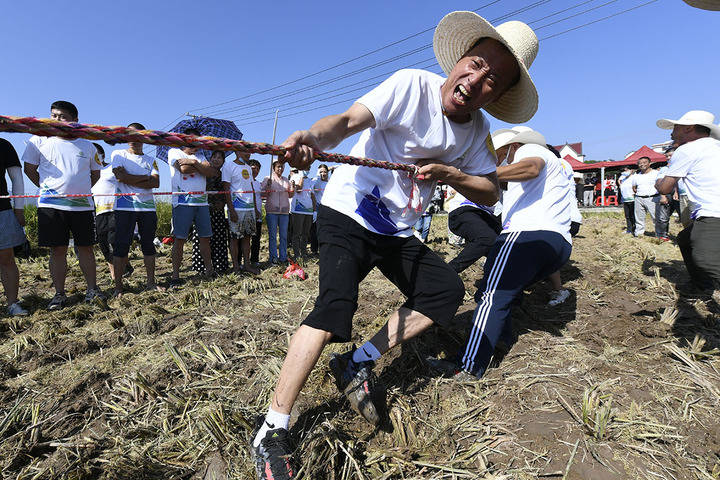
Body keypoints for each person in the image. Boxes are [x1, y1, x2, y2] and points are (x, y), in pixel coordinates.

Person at [250, 11, 539, 480]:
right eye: (476, 63)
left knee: (445, 290)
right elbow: (344, 122)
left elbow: (489, 190)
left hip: (399, 230)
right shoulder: (411, 85)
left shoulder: (476, 132)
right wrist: (311, 138)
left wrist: (451, 174)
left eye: (494, 79)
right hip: (349, 210)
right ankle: (272, 427)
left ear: (500, 95)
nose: (477, 79)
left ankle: (355, 363)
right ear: (461, 59)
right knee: (334, 306)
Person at [428, 128, 573, 380]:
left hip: (525, 235)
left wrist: (468, 174)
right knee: (506, 291)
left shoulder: (527, 150)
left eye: (496, 153)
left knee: (491, 296)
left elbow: (531, 168)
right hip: (558, 244)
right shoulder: (558, 166)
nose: (493, 159)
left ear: (511, 146)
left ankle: (468, 365)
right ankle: (501, 338)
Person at [22, 101, 104, 309]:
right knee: (57, 250)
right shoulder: (39, 140)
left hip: (82, 206)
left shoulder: (88, 145)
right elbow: (30, 169)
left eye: (62, 116)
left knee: (85, 248)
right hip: (51, 206)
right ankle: (59, 294)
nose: (56, 120)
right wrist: (47, 188)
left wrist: (79, 192)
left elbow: (95, 174)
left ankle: (92, 290)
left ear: (75, 120)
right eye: (53, 115)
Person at [655, 110, 720, 297]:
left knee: (706, 260)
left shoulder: (687, 150)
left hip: (713, 212)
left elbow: (665, 188)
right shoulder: (715, 146)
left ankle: (704, 284)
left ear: (689, 128)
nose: (671, 132)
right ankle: (702, 286)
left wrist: (658, 182)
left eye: (675, 127)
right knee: (684, 238)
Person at [110, 123, 161, 295]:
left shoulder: (150, 160)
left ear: (144, 138)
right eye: (130, 135)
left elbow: (156, 183)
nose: (134, 140)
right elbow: (119, 176)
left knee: (148, 245)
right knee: (121, 246)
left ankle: (151, 283)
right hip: (125, 207)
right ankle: (118, 287)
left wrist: (128, 178)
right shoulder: (118, 154)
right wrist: (145, 178)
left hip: (147, 208)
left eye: (138, 136)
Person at [168, 129, 220, 286]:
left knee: (205, 237)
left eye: (199, 141)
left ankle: (209, 270)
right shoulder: (174, 152)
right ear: (186, 140)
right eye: (194, 141)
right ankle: (176, 276)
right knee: (180, 239)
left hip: (202, 202)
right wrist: (200, 167)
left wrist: (195, 163)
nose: (197, 144)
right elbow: (182, 169)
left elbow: (211, 172)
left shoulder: (200, 156)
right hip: (183, 202)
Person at [0, 138, 28, 315]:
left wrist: (19, 209)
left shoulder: (3, 145)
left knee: (6, 259)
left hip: (2, 210)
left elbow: (17, 177)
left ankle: (12, 303)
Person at [445, 185, 501, 273]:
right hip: (465, 208)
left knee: (504, 244)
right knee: (487, 238)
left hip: (489, 215)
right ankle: (448, 272)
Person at [192, 151, 229, 275]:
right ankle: (201, 267)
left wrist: (223, 202)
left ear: (223, 161)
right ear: (210, 158)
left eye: (220, 157)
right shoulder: (204, 171)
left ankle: (220, 266)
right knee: (202, 239)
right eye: (214, 157)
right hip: (203, 209)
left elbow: (227, 191)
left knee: (219, 238)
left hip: (218, 210)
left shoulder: (224, 175)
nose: (217, 159)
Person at [222, 152, 258, 274]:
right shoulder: (228, 166)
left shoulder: (248, 167)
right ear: (237, 152)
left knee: (247, 237)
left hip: (250, 208)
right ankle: (236, 266)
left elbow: (251, 189)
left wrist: (256, 208)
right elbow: (226, 189)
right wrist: (231, 209)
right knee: (234, 238)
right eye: (245, 151)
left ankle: (247, 265)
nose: (248, 154)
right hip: (236, 208)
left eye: (249, 151)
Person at [262, 160, 294, 265]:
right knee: (272, 236)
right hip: (272, 211)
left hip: (284, 212)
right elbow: (262, 194)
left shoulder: (286, 180)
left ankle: (283, 257)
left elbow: (290, 195)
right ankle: (273, 258)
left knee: (284, 235)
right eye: (278, 167)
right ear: (273, 168)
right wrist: (267, 186)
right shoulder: (268, 178)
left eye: (282, 167)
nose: (280, 169)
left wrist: (292, 188)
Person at [631, 156, 660, 238]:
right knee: (639, 218)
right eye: (640, 163)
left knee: (656, 217)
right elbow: (634, 187)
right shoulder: (636, 176)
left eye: (644, 162)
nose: (642, 164)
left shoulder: (656, 173)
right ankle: (639, 234)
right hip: (639, 198)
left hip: (653, 198)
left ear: (649, 163)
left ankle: (659, 235)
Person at [289, 168, 314, 259]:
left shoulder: (311, 180)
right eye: (305, 167)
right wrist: (302, 177)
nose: (306, 169)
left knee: (306, 233)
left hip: (308, 210)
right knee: (297, 233)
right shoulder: (295, 177)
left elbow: (312, 195)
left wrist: (314, 210)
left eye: (308, 168)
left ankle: (304, 252)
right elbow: (299, 189)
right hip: (298, 209)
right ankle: (296, 254)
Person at [309, 164, 329, 255]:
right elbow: (311, 187)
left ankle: (324, 249)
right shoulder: (316, 181)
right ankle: (314, 250)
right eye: (321, 172)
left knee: (326, 230)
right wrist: (317, 175)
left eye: (325, 172)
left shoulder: (330, 182)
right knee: (315, 230)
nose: (323, 174)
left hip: (327, 207)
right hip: (318, 207)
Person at [248, 159, 264, 266]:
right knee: (244, 239)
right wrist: (255, 210)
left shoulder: (259, 183)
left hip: (258, 215)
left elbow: (262, 196)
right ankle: (242, 261)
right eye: (253, 168)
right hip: (249, 213)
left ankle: (254, 260)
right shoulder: (246, 182)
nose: (255, 171)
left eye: (257, 169)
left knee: (256, 239)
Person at [617, 166, 636, 234]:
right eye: (624, 170)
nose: (625, 172)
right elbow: (619, 181)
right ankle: (629, 229)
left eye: (626, 170)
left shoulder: (634, 177)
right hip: (625, 199)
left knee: (633, 215)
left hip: (632, 199)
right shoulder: (623, 177)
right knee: (627, 216)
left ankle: (635, 229)